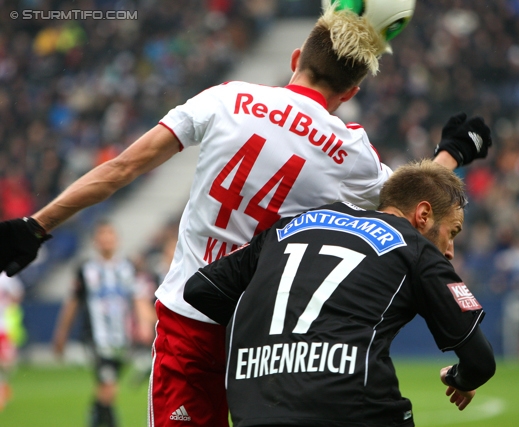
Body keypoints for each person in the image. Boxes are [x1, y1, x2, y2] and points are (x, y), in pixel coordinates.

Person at [0, 6, 491, 427]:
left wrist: (37, 225)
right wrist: (449, 153)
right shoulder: (349, 150)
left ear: (297, 60)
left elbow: (123, 168)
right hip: (270, 341)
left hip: (189, 321)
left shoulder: (226, 98)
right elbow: (410, 203)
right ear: (353, 90)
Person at [184, 159, 496, 427]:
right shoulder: (414, 249)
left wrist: (263, 337)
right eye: (452, 232)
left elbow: (200, 289)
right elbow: (480, 362)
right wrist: (461, 379)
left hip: (254, 409)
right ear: (423, 215)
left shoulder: (288, 228)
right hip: (353, 409)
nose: (451, 251)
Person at [52, 221, 152, 427]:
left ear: (117, 240)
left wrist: (144, 324)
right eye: (102, 235)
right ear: (95, 241)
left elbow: (138, 299)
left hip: (121, 339)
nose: (106, 239)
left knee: (107, 388)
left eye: (110, 235)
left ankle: (95, 416)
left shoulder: (127, 268)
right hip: (95, 338)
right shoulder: (85, 270)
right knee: (108, 386)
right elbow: (72, 304)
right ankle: (109, 422)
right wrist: (61, 334)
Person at [0, 272, 25, 411]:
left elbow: (18, 292)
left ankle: (4, 385)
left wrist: (10, 307)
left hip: (4, 326)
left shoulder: (5, 276)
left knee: (6, 362)